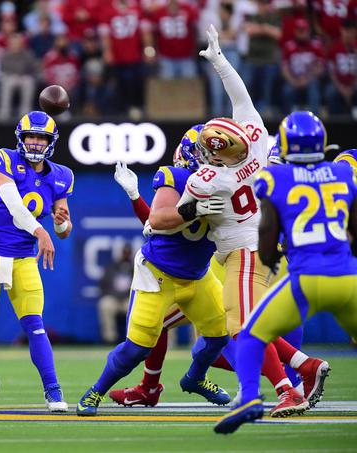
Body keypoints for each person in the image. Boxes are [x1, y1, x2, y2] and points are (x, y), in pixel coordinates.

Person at [174, 25, 327, 417]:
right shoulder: (258, 140)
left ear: (213, 153)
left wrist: (191, 209)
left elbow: (183, 213)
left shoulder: (208, 178)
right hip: (264, 244)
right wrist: (221, 61)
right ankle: (304, 367)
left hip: (242, 254)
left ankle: (286, 390)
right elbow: (239, 97)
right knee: (247, 324)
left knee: (242, 329)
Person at [214, 111, 357, 434]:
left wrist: (272, 257)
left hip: (305, 278)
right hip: (346, 276)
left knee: (251, 334)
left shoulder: (273, 178)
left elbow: (266, 233)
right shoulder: (341, 172)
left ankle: (250, 397)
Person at [76, 130, 232, 416]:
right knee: (136, 349)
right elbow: (158, 219)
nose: (217, 160)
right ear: (193, 154)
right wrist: (195, 208)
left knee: (220, 335)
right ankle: (96, 391)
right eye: (210, 153)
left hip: (198, 276)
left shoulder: (230, 184)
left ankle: (195, 377)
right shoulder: (175, 176)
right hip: (159, 275)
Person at [0, 110, 73, 412]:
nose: (36, 142)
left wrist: (59, 223)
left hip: (22, 259)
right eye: (31, 136)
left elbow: (65, 230)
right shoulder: (3, 158)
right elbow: (13, 204)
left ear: (51, 141)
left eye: (41, 137)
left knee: (35, 326)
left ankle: (53, 390)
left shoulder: (61, 175)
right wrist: (41, 230)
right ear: (20, 137)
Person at [97, 243, 134, 344]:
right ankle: (109, 339)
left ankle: (134, 340)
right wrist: (114, 295)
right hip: (113, 298)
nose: (126, 255)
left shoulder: (135, 267)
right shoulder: (111, 267)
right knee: (105, 304)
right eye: (124, 253)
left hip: (128, 299)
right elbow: (103, 285)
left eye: (128, 253)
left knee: (135, 307)